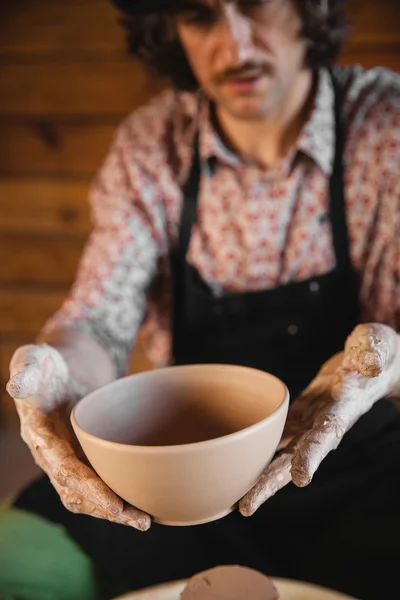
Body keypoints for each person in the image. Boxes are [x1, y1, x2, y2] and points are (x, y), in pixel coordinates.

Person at [1, 0, 400, 598]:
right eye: (199, 15)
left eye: (255, 4)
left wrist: (385, 359)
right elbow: (98, 323)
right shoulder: (152, 143)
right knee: (13, 560)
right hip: (178, 489)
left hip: (355, 466)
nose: (234, 46)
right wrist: (55, 371)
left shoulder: (385, 125)